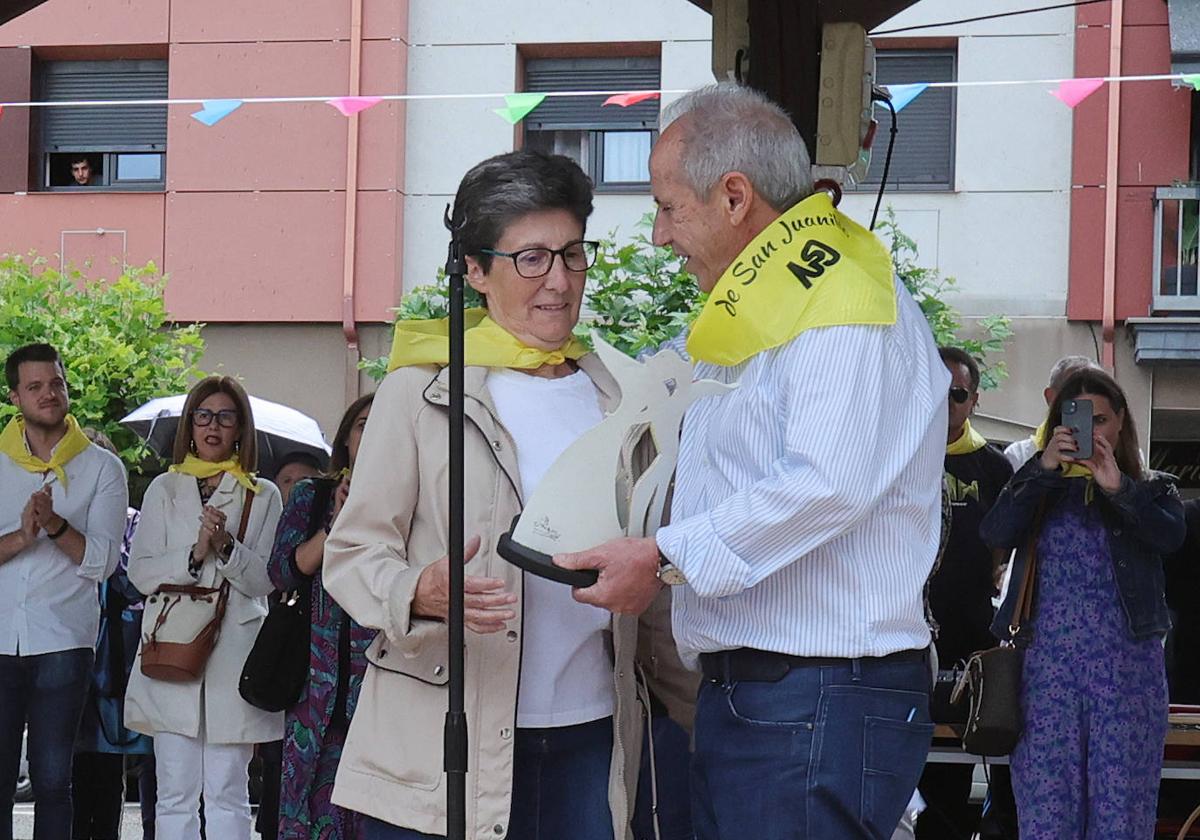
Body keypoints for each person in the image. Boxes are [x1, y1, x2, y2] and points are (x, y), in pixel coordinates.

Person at [555, 83, 949, 839]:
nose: (659, 237)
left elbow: (825, 486)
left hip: (816, 694)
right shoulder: (769, 304)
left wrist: (664, 554)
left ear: (734, 196)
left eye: (669, 207)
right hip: (772, 696)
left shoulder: (840, 302)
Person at [323, 150, 655, 840]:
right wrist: (417, 590)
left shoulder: (619, 399)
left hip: (589, 734)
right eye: (530, 259)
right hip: (441, 747)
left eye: (572, 254)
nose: (559, 282)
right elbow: (352, 553)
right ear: (474, 270)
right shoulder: (420, 391)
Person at [980, 367, 1185, 838]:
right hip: (1048, 673)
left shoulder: (1153, 487)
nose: (1090, 429)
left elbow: (1170, 537)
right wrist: (1043, 470)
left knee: (1123, 812)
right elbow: (993, 533)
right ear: (1056, 425)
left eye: (1101, 418)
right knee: (1048, 812)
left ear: (1121, 423)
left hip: (1127, 670)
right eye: (1075, 418)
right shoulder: (1040, 486)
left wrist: (1119, 488)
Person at [124, 376, 285, 839]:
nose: (213, 426)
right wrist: (195, 553)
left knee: (228, 791)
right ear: (190, 424)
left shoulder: (262, 494)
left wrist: (226, 546)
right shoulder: (164, 489)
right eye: (204, 415)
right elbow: (141, 573)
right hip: (171, 645)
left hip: (233, 652)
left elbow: (264, 581)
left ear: (240, 429)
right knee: (173, 791)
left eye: (226, 417)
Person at [0, 343, 129, 840]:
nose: (48, 394)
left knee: (54, 782)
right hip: (2, 636)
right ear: (16, 396)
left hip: (62, 640)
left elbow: (103, 562)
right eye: (34, 387)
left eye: (56, 383)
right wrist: (20, 536)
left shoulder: (101, 468)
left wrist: (54, 525)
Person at [268, 394, 375, 839]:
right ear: (346, 438)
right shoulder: (312, 496)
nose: (372, 434)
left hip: (384, 685)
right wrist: (335, 521)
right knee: (308, 808)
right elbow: (283, 572)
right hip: (315, 683)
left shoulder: (421, 498)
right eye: (363, 424)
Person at [916, 349, 1012, 840]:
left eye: (957, 395)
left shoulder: (995, 467)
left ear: (973, 400)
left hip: (969, 634)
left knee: (955, 769)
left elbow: (1009, 547)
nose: (946, 404)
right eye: (937, 392)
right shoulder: (900, 456)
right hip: (905, 632)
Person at [71, 429, 154, 840]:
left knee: (106, 767)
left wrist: (103, 552)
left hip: (113, 661)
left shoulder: (134, 522)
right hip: (67, 650)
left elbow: (137, 584)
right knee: (66, 769)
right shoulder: (60, 521)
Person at [256, 450, 326, 840]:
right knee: (284, 774)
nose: (295, 488)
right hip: (296, 664)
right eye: (287, 481)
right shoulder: (309, 507)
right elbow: (279, 574)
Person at [1003, 355, 1099, 470]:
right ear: (1050, 396)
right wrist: (1044, 467)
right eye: (1073, 392)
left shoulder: (1112, 455)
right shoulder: (1019, 455)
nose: (1083, 400)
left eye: (1095, 392)